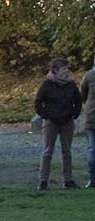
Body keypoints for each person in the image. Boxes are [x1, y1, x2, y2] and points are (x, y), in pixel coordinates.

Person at [34, 57, 82, 190]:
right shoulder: (46, 84)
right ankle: (43, 181)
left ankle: (68, 180)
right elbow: (38, 102)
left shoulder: (71, 84)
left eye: (67, 68)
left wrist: (74, 113)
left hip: (67, 121)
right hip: (51, 122)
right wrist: (45, 115)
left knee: (67, 152)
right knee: (47, 151)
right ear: (55, 71)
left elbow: (78, 100)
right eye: (63, 69)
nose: (66, 71)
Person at [79, 56, 95, 188]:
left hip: (91, 118)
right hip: (91, 119)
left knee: (92, 149)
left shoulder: (89, 76)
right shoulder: (89, 76)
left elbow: (82, 94)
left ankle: (92, 179)